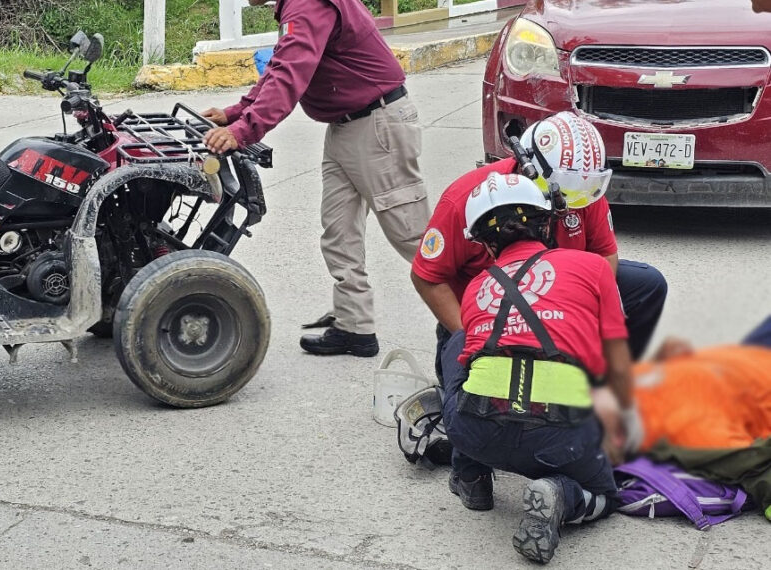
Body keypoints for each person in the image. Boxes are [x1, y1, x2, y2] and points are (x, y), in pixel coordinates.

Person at [201, 0, 428, 357]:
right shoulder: (297, 6)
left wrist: (244, 130)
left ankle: (488, 318)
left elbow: (291, 75)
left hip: (377, 124)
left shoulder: (307, 3)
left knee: (412, 235)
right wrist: (235, 114)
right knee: (340, 234)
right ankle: (356, 327)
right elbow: (279, 68)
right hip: (347, 125)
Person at [439, 172, 637, 564]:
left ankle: (472, 477)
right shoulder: (592, 268)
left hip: (478, 432)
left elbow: (467, 366)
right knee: (606, 496)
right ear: (547, 223)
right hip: (561, 438)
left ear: (488, 245)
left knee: (459, 342)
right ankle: (561, 494)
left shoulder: (476, 286)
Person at [412, 112, 667, 378]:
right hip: (490, 308)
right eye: (561, 200)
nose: (567, 209)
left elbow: (605, 254)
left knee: (647, 285)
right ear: (525, 169)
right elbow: (427, 277)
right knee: (470, 397)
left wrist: (585, 323)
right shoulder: (464, 200)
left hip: (563, 298)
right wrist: (471, 339)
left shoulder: (580, 191)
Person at [594, 316, 771, 519]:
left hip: (747, 357)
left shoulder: (625, 387)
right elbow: (752, 462)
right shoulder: (688, 430)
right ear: (615, 438)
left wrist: (663, 362)